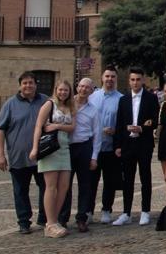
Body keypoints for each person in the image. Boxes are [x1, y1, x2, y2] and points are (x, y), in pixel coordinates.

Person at [0, 72, 48, 234]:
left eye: (31, 83)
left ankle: (44, 217)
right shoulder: (10, 104)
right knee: (20, 191)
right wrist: (0, 154)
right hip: (18, 157)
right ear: (20, 85)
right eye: (25, 83)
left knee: (46, 188)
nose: (28, 86)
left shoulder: (45, 101)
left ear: (35, 84)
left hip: (42, 155)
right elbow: (0, 130)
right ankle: (24, 221)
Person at [113, 67, 159, 226]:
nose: (135, 82)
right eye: (132, 79)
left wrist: (142, 128)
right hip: (127, 144)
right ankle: (126, 212)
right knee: (128, 179)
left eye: (138, 79)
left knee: (145, 177)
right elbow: (119, 123)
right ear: (129, 81)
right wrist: (118, 144)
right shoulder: (123, 99)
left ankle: (145, 211)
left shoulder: (151, 99)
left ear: (143, 80)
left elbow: (154, 120)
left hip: (144, 143)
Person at [29, 79, 75, 238]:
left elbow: (72, 127)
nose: (63, 92)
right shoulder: (49, 105)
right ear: (56, 90)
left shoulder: (70, 106)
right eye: (61, 90)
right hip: (50, 148)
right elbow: (38, 126)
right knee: (51, 187)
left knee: (64, 186)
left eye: (66, 90)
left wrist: (57, 126)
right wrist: (35, 148)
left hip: (64, 147)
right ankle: (50, 223)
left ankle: (54, 220)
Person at [89, 65, 122, 224]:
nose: (109, 79)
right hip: (93, 148)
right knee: (90, 181)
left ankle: (107, 209)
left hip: (110, 147)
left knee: (110, 181)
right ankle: (88, 210)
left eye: (112, 77)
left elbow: (123, 123)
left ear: (116, 79)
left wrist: (115, 131)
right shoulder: (92, 97)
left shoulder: (121, 99)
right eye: (107, 76)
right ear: (102, 78)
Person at [70, 77, 101, 232]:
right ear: (77, 87)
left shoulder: (93, 110)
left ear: (91, 91)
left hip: (84, 147)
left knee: (85, 185)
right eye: (81, 86)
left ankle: (82, 217)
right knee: (65, 184)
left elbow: (97, 134)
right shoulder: (67, 105)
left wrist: (94, 156)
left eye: (87, 87)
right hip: (68, 148)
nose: (83, 89)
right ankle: (62, 217)